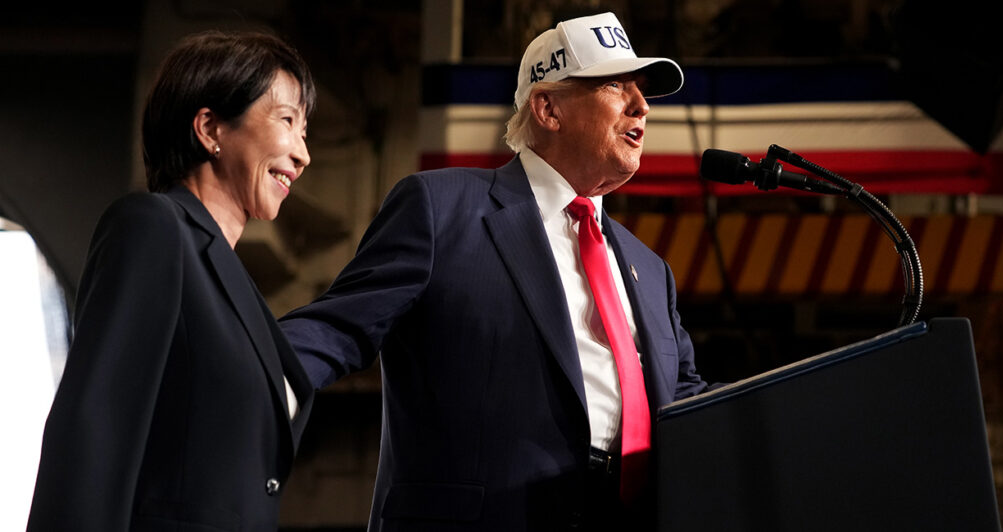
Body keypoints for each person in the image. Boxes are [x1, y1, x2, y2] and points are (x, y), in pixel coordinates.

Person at [280, 12, 707, 531]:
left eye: (640, 90)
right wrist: (246, 379)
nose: (641, 105)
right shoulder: (441, 210)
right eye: (615, 85)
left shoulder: (650, 269)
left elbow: (691, 404)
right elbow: (335, 327)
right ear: (548, 108)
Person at [27, 31, 316, 531]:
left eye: (305, 131)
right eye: (288, 120)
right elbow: (95, 427)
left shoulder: (231, 282)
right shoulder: (153, 227)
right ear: (210, 129)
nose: (303, 154)